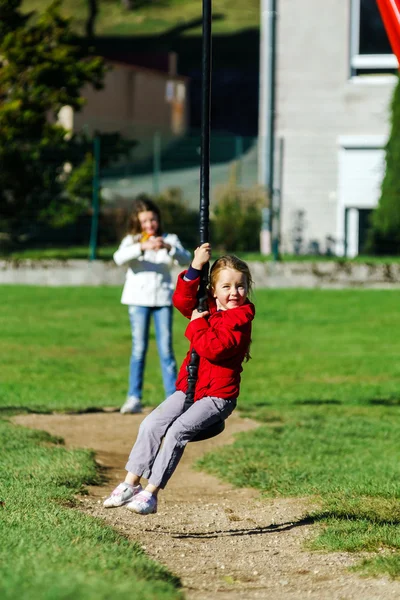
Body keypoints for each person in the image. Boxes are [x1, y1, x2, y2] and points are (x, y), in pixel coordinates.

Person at [103, 243, 256, 514]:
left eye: (240, 286)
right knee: (151, 424)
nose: (234, 293)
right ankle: (130, 483)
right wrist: (196, 267)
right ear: (213, 290)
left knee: (177, 432)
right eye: (227, 287)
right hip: (190, 387)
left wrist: (197, 324)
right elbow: (182, 301)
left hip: (218, 396)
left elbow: (215, 349)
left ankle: (151, 493)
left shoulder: (240, 320)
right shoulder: (205, 306)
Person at [114, 196, 191, 414]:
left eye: (153, 220)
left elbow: (186, 259)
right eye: (145, 221)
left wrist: (167, 247)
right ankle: (133, 397)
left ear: (158, 219)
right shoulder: (132, 240)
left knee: (166, 350)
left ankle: (172, 400)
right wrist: (142, 246)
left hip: (162, 301)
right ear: (138, 222)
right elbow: (118, 258)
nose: (149, 225)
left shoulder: (170, 239)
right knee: (139, 349)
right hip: (137, 301)